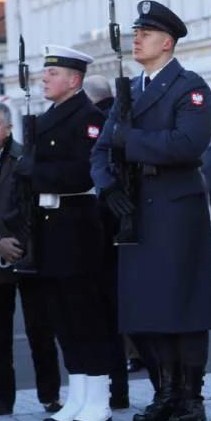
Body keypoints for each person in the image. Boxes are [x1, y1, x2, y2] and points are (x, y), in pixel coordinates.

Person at [91, 0, 211, 421]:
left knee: (182, 303)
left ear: (166, 42)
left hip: (173, 206)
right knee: (147, 305)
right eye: (135, 33)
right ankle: (164, 391)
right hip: (135, 208)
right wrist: (108, 184)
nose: (136, 39)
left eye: (144, 34)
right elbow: (100, 149)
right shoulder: (131, 92)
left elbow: (187, 144)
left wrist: (130, 141)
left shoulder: (190, 88)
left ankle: (191, 395)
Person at [2, 47, 115, 421]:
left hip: (76, 223)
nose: (44, 79)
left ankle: (98, 400)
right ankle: (78, 395)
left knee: (85, 312)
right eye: (45, 73)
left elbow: (84, 173)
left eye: (53, 74)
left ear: (74, 80)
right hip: (48, 224)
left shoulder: (89, 118)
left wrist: (35, 170)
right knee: (62, 315)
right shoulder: (49, 117)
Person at [0, 101, 62, 417]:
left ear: (8, 127)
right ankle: (1, 398)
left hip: (29, 256)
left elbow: (43, 205)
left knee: (40, 330)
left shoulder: (27, 158)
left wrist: (23, 242)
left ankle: (50, 394)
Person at [84, 73, 143, 383]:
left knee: (114, 291)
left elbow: (96, 161)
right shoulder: (125, 112)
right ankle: (139, 350)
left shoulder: (95, 120)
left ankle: (129, 353)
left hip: (107, 211)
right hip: (133, 209)